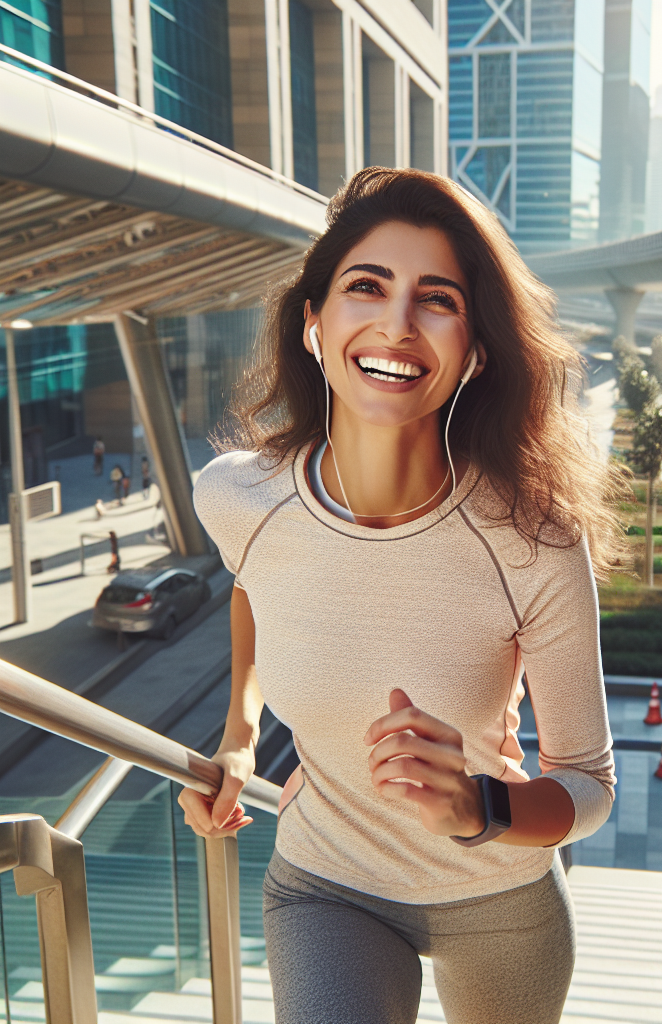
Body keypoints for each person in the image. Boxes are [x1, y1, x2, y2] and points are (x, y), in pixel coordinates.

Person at [179, 168, 619, 1024]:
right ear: (314, 322)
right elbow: (251, 589)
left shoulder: (534, 540)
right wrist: (238, 735)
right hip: (325, 887)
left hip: (499, 900)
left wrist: (477, 805)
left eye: (438, 299)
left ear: (476, 349)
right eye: (366, 286)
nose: (396, 322)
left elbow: (589, 785)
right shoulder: (239, 499)